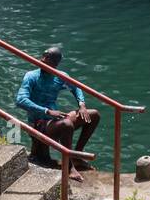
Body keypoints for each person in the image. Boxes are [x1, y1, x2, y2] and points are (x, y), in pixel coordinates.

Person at [15, 45, 100, 182]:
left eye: (47, 58)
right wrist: (46, 111)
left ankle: (76, 156)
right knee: (66, 124)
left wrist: (82, 104)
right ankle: (68, 167)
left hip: (55, 120)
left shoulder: (60, 76)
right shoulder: (31, 76)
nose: (42, 59)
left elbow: (76, 87)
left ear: (55, 63)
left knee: (94, 114)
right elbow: (20, 100)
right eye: (43, 55)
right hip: (39, 123)